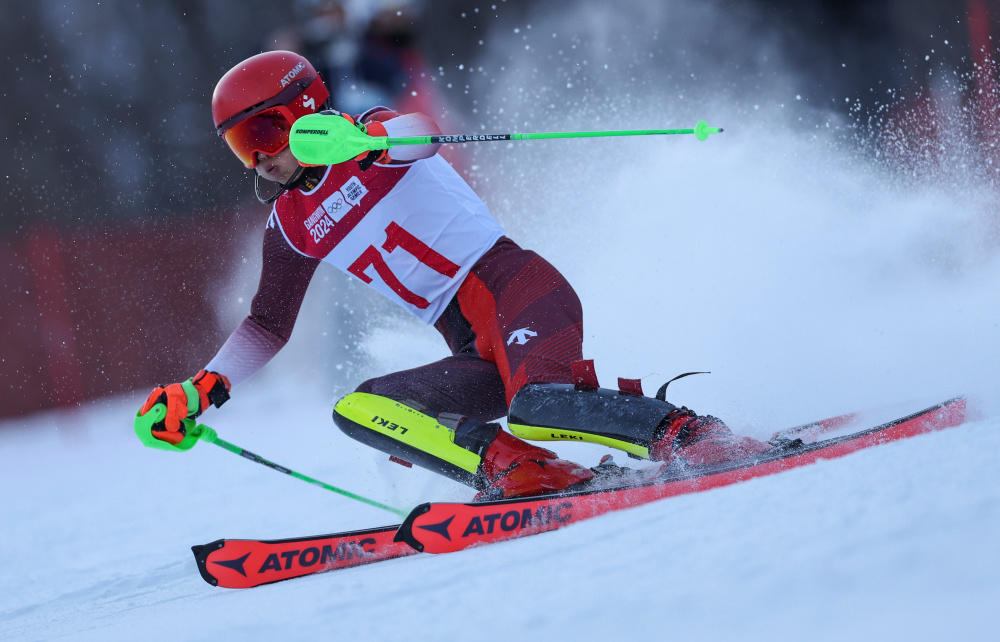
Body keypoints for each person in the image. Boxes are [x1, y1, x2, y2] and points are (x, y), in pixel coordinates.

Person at [137, 50, 776, 501]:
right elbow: (268, 323)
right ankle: (522, 473)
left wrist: (364, 142)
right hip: (470, 345)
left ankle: (689, 435)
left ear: (303, 110)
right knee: (363, 408)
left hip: (519, 290)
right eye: (241, 145)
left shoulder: (368, 138)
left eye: (264, 131)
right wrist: (201, 389)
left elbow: (421, 136)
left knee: (536, 405)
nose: (261, 156)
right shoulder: (292, 222)